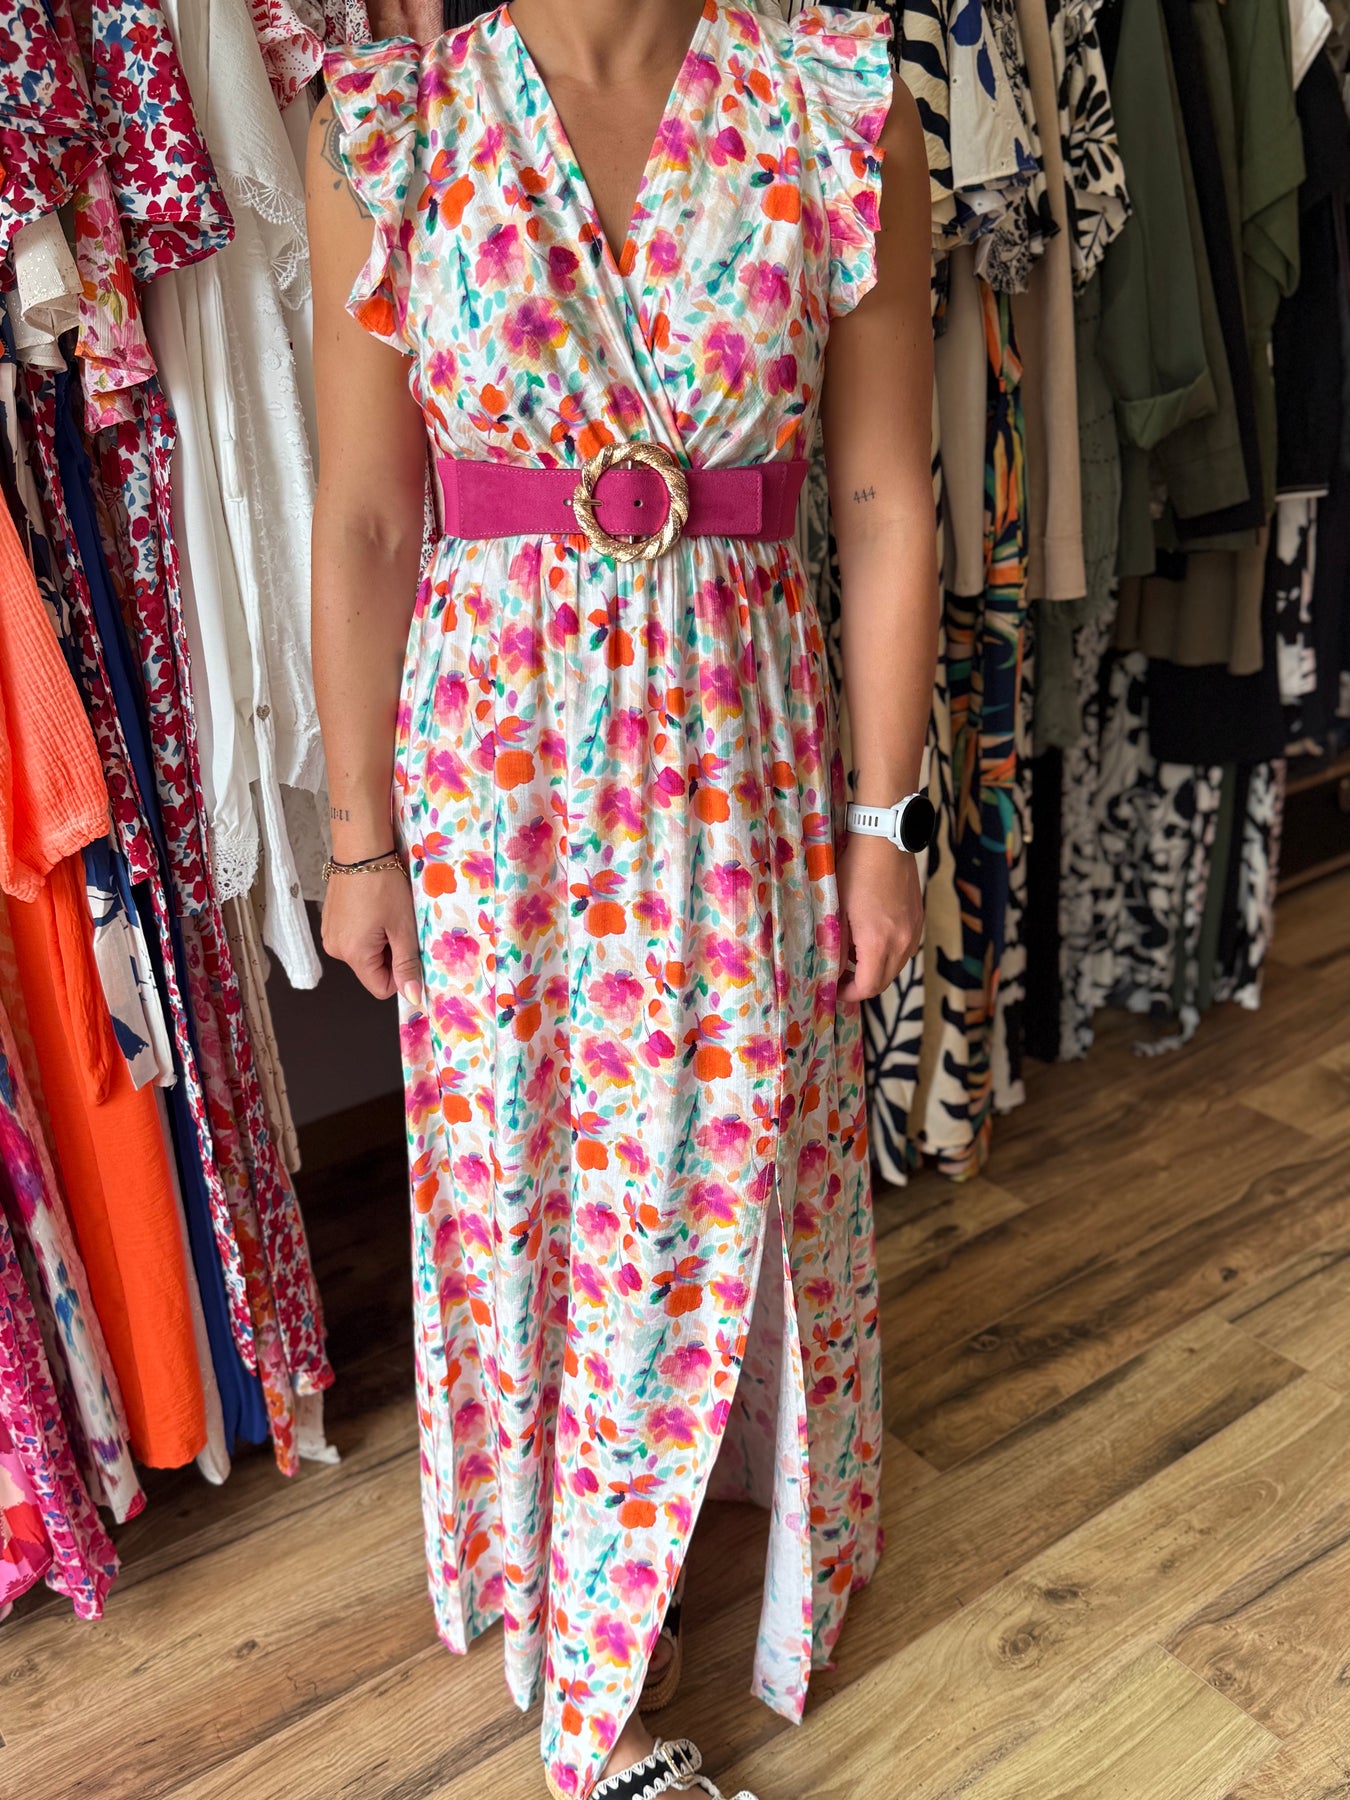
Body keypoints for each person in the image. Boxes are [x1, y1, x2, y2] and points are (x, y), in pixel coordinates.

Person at [306, 3, 936, 1795]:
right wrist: (357, 839)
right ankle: (590, 1607)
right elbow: (367, 519)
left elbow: (882, 494)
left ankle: (604, 1675)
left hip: (739, 760)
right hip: (490, 776)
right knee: (523, 1176)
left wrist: (882, 821)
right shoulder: (391, 126)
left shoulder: (834, 107)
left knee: (695, 1170)